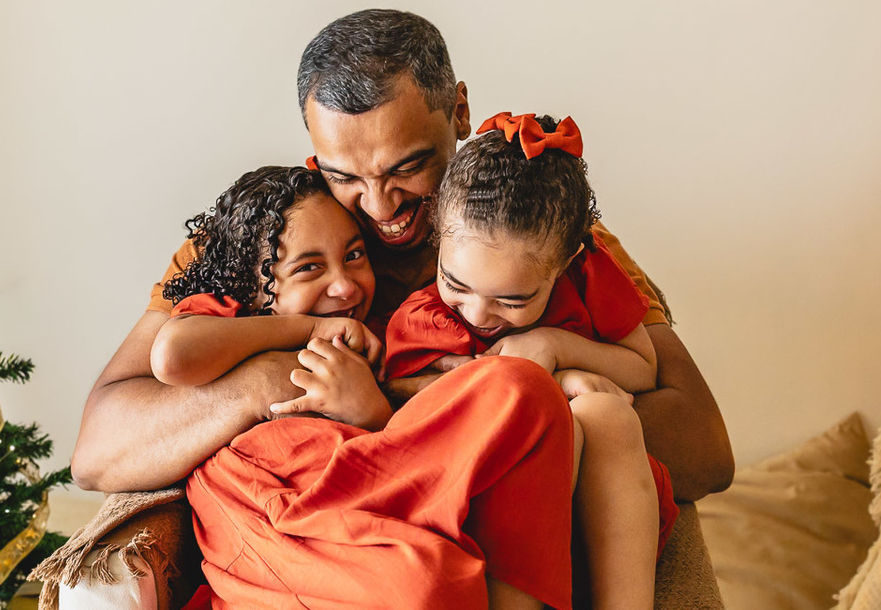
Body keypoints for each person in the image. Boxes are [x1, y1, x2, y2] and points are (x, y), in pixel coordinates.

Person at [62, 9, 733, 608]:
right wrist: (279, 377)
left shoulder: (532, 234)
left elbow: (703, 447)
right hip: (341, 531)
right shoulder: (264, 240)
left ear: (461, 113)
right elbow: (100, 452)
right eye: (345, 176)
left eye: (407, 167)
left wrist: (528, 391)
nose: (381, 208)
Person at [152, 164, 575, 609]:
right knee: (432, 586)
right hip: (277, 504)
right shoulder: (236, 320)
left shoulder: (377, 333)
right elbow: (173, 356)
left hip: (371, 483)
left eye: (354, 256)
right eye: (309, 268)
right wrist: (311, 328)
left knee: (524, 389)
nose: (343, 285)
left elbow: (399, 445)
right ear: (254, 289)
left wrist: (369, 409)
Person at [380, 111, 679, 610]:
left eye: (514, 300)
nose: (479, 312)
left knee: (605, 415)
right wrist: (539, 382)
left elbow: (642, 370)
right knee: (559, 424)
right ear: (438, 236)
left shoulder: (588, 278)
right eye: (455, 284)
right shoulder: (426, 318)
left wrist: (558, 348)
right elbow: (402, 405)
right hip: (481, 511)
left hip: (593, 520)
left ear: (565, 263)